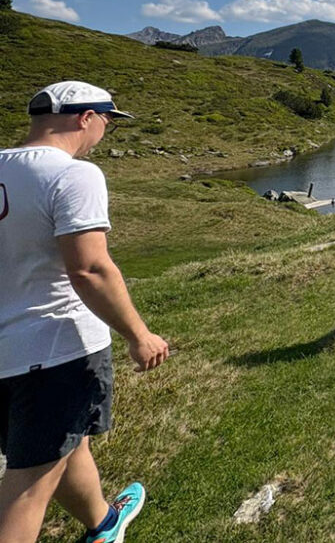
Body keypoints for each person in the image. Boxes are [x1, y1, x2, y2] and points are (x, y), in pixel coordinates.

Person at [0, 81, 170, 543]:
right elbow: (90, 269)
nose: (106, 132)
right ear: (85, 117)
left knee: (66, 446)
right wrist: (139, 334)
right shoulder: (74, 174)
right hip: (55, 350)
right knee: (27, 491)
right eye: (108, 121)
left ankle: (103, 524)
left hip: (7, 354)